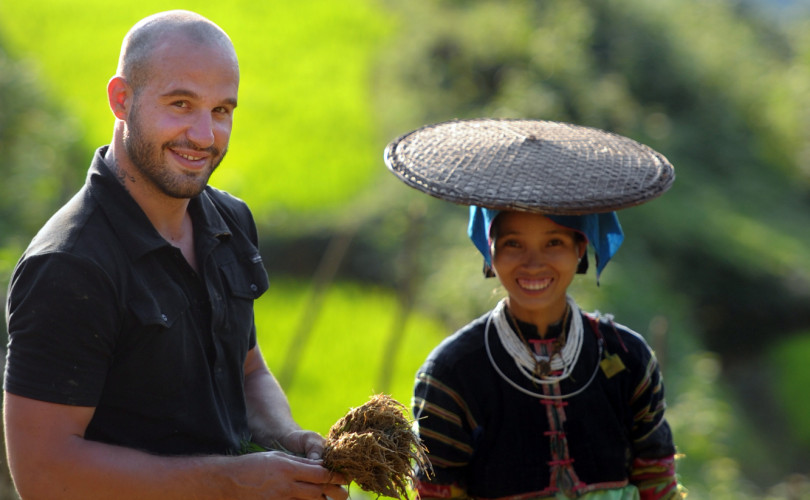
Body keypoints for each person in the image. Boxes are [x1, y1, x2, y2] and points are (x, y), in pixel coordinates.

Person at [3, 10, 347, 500]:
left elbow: (248, 370)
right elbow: (43, 473)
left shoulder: (229, 221)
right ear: (122, 99)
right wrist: (232, 481)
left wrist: (285, 439)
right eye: (181, 104)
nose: (204, 136)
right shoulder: (70, 266)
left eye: (222, 110)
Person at [383, 119, 684, 499]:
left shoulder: (627, 356)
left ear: (580, 250)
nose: (534, 264)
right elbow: (437, 491)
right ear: (488, 253)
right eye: (513, 244)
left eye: (554, 242)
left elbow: (657, 478)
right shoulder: (453, 373)